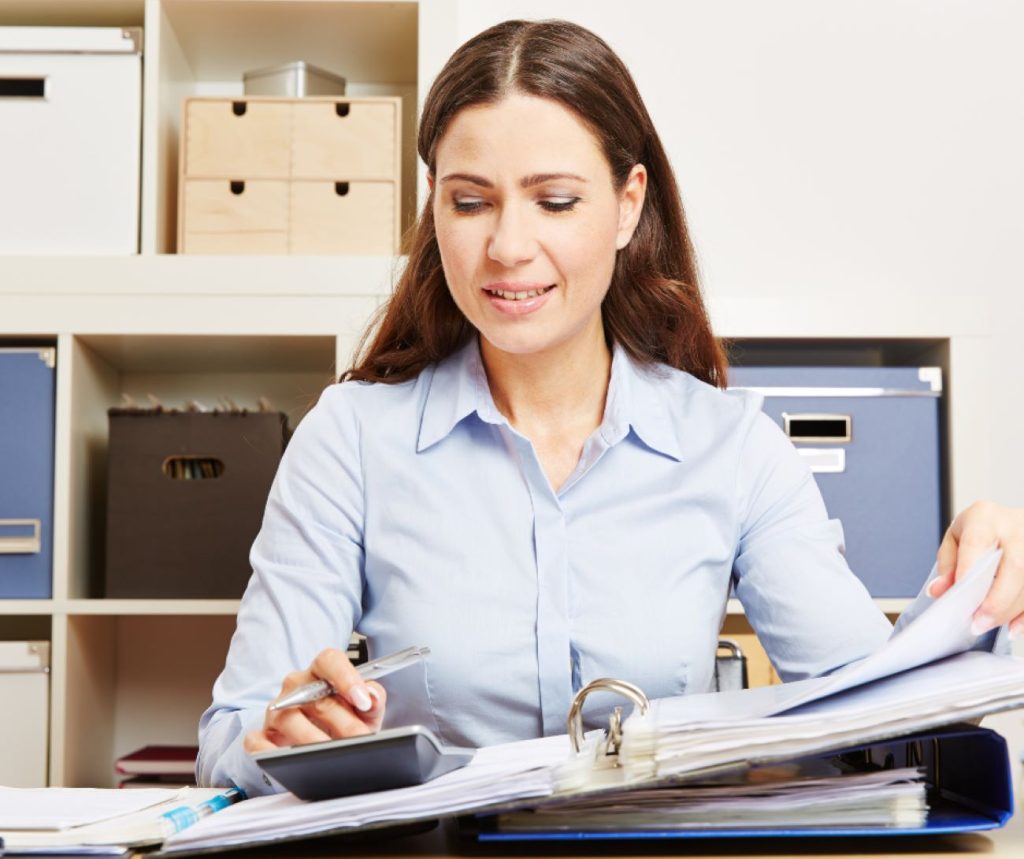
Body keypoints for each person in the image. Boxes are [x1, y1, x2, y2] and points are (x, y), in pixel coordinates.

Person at [198, 19, 1024, 795]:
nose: (508, 246)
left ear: (629, 204)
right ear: (435, 204)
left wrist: (973, 594)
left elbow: (876, 717)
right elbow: (228, 735)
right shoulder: (349, 440)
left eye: (555, 202)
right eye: (470, 200)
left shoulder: (732, 447)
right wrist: (284, 735)